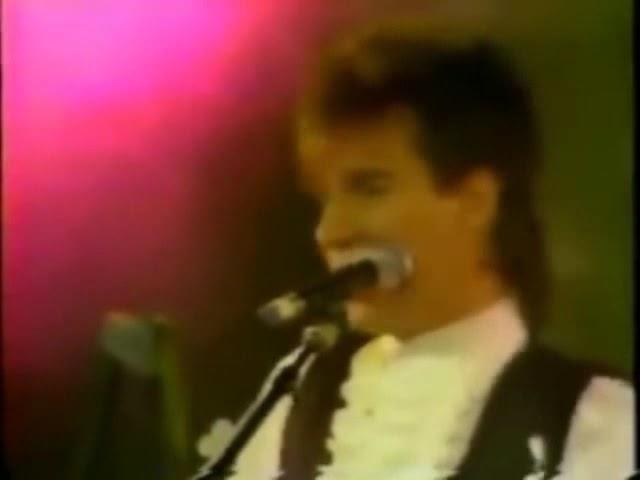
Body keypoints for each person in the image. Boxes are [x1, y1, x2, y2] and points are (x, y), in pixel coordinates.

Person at [198, 24, 634, 480]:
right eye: (324, 199)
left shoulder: (596, 422)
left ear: (475, 201)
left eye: (370, 188)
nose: (330, 231)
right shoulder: (298, 395)